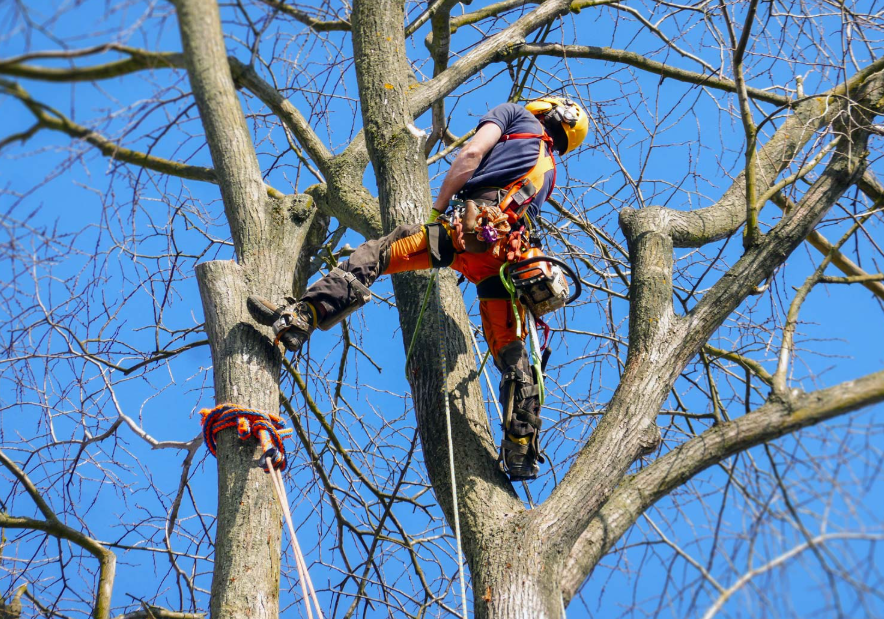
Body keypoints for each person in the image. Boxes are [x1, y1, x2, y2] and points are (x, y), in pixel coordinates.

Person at [248, 96, 588, 480]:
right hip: (505, 260)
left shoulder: (514, 115)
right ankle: (521, 447)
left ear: (547, 109)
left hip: (468, 230)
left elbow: (472, 154)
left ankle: (304, 315)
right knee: (511, 354)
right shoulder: (549, 169)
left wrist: (438, 209)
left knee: (380, 252)